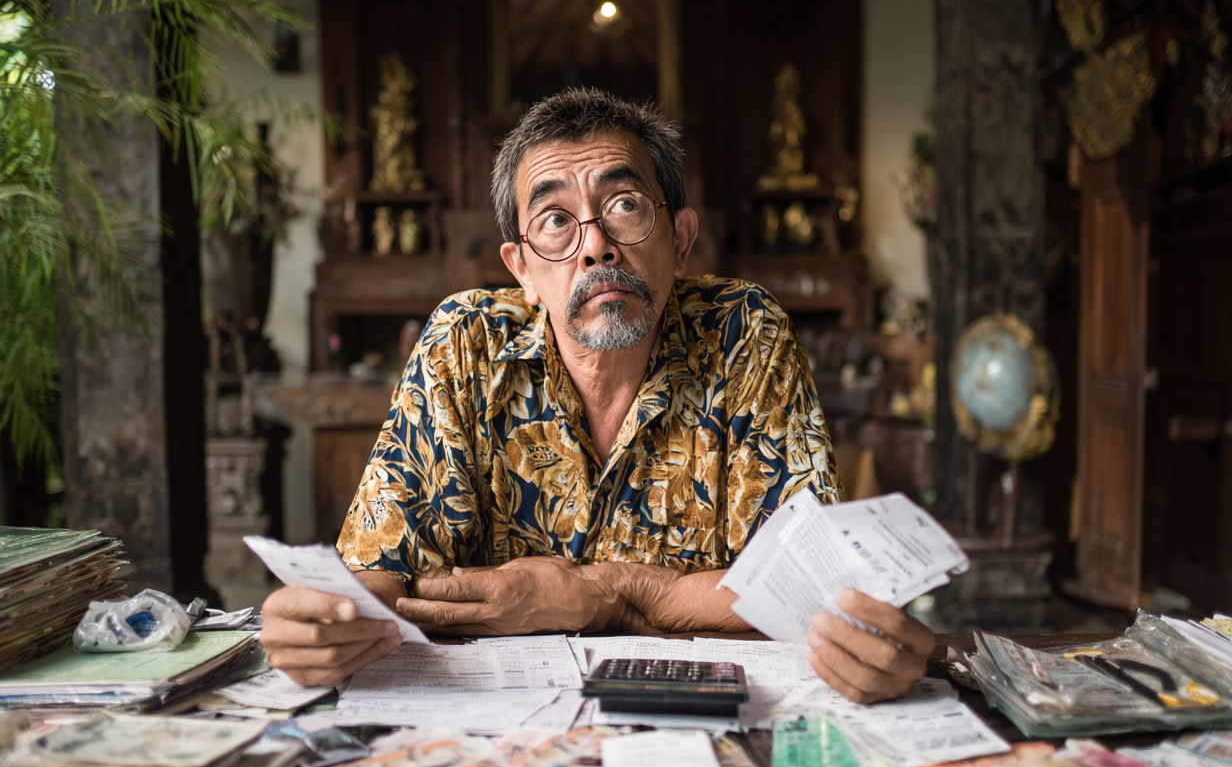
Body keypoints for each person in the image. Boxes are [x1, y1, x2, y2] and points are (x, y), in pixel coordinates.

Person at [261, 88, 935, 701]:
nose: (595, 247)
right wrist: (325, 620)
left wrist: (602, 592)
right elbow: (384, 573)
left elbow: (795, 589)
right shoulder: (463, 344)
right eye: (555, 219)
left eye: (624, 205)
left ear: (680, 239)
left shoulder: (744, 334)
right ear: (521, 268)